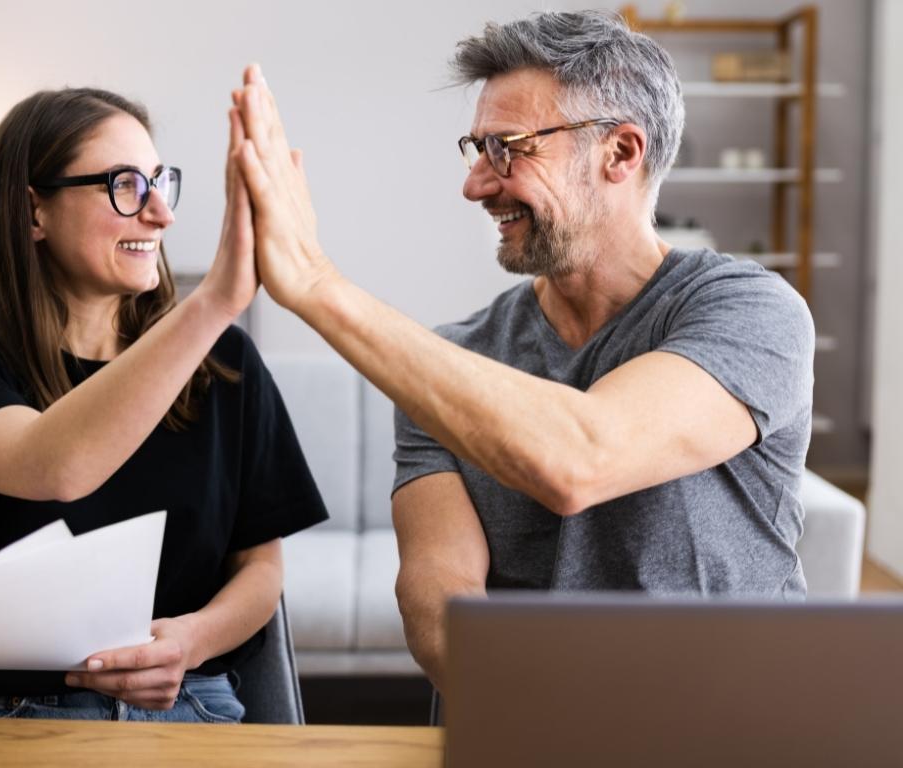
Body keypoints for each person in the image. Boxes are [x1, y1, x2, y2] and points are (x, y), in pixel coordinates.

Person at [229, 9, 814, 692]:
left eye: (507, 148)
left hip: (722, 724)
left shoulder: (752, 312)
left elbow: (580, 458)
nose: (477, 184)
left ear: (621, 153)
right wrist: (527, 716)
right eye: (476, 149)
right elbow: (437, 589)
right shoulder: (454, 363)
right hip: (516, 717)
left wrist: (317, 286)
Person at [0, 87, 328, 721]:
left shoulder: (225, 364)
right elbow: (55, 466)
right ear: (33, 212)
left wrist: (188, 642)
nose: (160, 214)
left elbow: (262, 570)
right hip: (26, 718)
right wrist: (215, 299)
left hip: (194, 704)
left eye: (160, 182)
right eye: (124, 185)